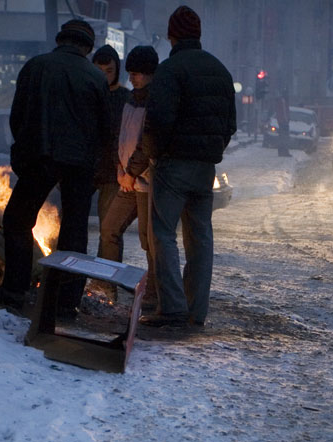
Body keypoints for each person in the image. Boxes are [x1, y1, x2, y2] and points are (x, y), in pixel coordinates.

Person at [0, 19, 108, 317]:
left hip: (40, 156)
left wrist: (23, 153)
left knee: (17, 221)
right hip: (78, 163)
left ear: (61, 40)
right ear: (87, 47)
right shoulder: (95, 77)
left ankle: (14, 290)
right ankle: (66, 301)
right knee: (75, 232)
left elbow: (18, 116)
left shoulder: (36, 66)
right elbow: (104, 129)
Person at [140, 5, 236, 329]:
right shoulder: (220, 70)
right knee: (201, 238)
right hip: (204, 167)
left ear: (172, 35)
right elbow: (230, 124)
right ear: (198, 34)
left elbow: (158, 120)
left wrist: (154, 156)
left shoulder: (170, 70)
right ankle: (196, 311)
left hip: (172, 165)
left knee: (163, 233)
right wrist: (213, 149)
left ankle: (172, 309)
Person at [97, 45, 159, 308]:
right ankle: (105, 287)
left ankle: (154, 293)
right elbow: (118, 138)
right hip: (128, 179)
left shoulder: (154, 102)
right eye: (131, 73)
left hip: (144, 182)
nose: (133, 78)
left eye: (139, 74)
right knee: (109, 229)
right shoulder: (130, 100)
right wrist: (120, 170)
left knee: (150, 240)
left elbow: (148, 143)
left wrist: (131, 172)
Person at [92, 44, 132, 261]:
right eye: (100, 71)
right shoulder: (88, 94)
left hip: (112, 170)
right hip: (89, 166)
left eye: (109, 71)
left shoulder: (125, 97)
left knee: (109, 229)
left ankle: (104, 282)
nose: (105, 76)